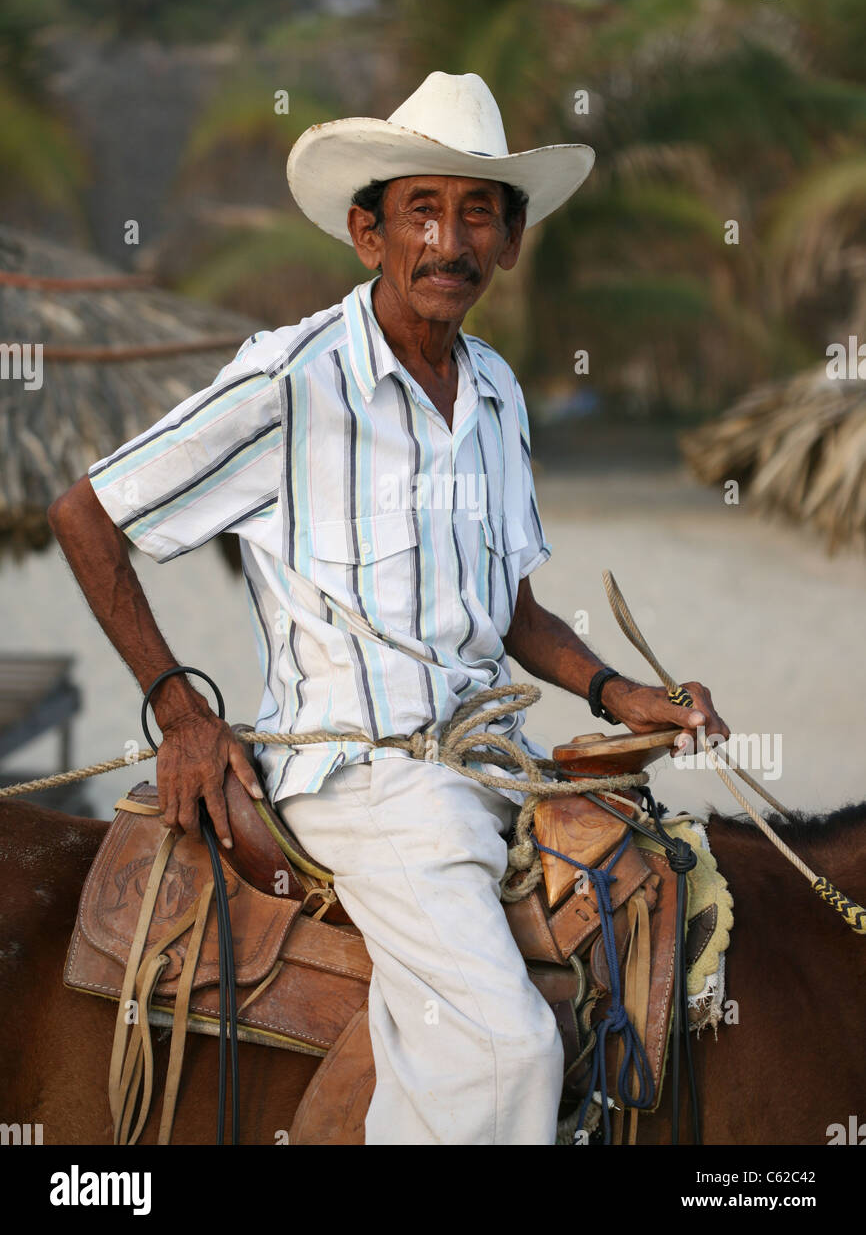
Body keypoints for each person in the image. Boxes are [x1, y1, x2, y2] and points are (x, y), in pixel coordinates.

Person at [48, 71, 729, 1145]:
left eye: (475, 214)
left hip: (491, 763)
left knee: (652, 899)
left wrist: (621, 690)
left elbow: (513, 614)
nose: (446, 242)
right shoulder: (290, 380)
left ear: (507, 242)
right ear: (368, 233)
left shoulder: (498, 392)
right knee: (504, 1047)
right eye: (421, 210)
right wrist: (180, 707)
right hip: (364, 782)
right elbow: (86, 512)